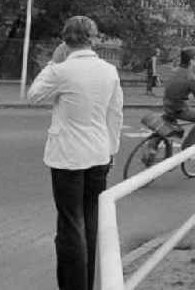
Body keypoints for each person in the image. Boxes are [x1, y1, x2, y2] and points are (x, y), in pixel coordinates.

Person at [27, 16, 123, 290]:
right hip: (98, 154)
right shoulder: (109, 71)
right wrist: (111, 151)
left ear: (65, 40)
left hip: (68, 157)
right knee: (90, 220)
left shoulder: (61, 70)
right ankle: (89, 283)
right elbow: (115, 115)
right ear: (93, 38)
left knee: (70, 224)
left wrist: (52, 62)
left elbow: (33, 95)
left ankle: (73, 286)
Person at [161, 46, 195, 151]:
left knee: (169, 130)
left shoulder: (174, 70)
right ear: (191, 61)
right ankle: (187, 150)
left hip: (166, 105)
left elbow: (177, 83)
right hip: (177, 109)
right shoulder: (191, 77)